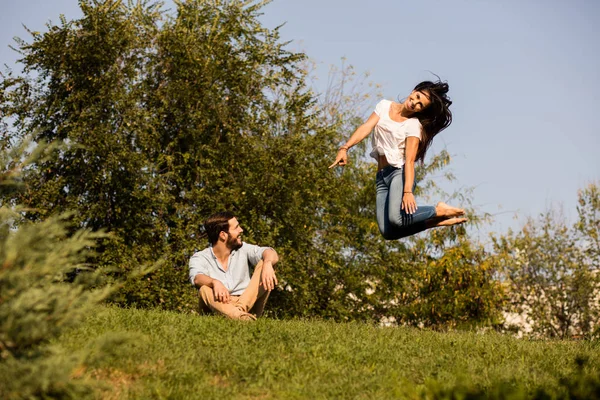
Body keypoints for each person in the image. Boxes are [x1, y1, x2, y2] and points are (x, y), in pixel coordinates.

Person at [329, 79, 467, 240]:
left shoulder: (413, 125)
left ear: (421, 110)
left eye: (420, 105)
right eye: (417, 96)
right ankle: (434, 222)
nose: (414, 103)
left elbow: (409, 161)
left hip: (398, 174)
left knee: (396, 218)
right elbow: (366, 126)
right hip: (381, 176)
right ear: (414, 90)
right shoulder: (385, 106)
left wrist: (408, 191)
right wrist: (345, 148)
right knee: (388, 232)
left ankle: (438, 210)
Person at [189, 211, 279, 320]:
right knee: (204, 289)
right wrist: (214, 282)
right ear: (223, 235)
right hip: (220, 305)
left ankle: (239, 313)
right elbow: (197, 278)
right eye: (236, 228)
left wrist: (268, 263)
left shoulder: (244, 249)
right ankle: (240, 316)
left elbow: (270, 252)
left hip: (247, 302)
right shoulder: (200, 257)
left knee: (266, 262)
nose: (241, 230)